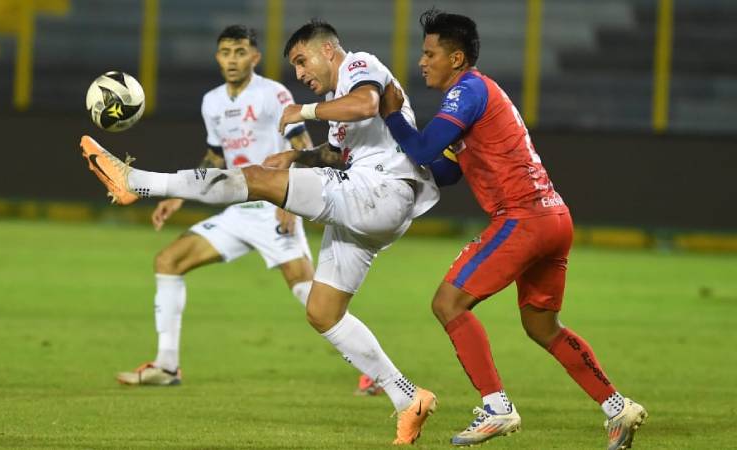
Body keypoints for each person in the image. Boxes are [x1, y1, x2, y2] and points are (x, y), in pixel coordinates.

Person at [80, 20, 440, 445]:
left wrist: (302, 114)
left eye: (302, 61)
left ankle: (134, 181)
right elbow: (334, 151)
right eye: (295, 67)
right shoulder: (322, 99)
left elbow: (365, 103)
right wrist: (295, 155)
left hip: (380, 190)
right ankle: (407, 397)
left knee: (253, 178)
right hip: (373, 202)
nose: (301, 74)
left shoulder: (358, 65)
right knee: (322, 311)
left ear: (327, 50)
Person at [379, 9, 647, 450]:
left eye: (430, 53)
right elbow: (444, 171)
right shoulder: (475, 96)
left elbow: (425, 146)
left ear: (458, 57)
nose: (421, 61)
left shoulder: (467, 90)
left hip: (523, 217)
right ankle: (617, 407)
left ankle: (497, 407)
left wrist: (391, 117)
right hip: (554, 216)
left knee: (449, 304)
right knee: (543, 327)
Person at [114, 25, 320, 386]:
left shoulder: (274, 94)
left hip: (274, 206)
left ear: (254, 57)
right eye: (226, 52)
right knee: (168, 261)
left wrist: (293, 200)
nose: (232, 59)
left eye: (240, 52)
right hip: (238, 210)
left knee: (313, 298)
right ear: (217, 57)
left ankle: (373, 375)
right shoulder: (212, 101)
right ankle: (166, 366)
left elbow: (302, 146)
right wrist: (178, 196)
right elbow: (215, 157)